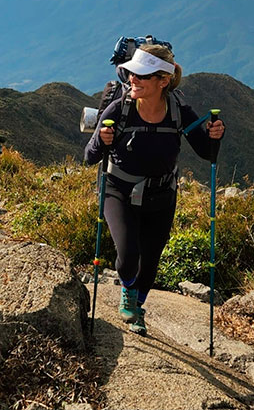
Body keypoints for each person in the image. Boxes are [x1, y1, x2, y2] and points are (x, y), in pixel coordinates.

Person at [85, 44, 225, 336]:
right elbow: (90, 155)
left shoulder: (178, 111)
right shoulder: (119, 108)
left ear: (163, 80)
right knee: (127, 255)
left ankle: (138, 306)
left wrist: (215, 137)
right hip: (118, 190)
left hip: (161, 196)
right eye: (132, 73)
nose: (133, 80)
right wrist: (103, 139)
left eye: (142, 76)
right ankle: (128, 292)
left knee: (150, 262)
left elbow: (206, 152)